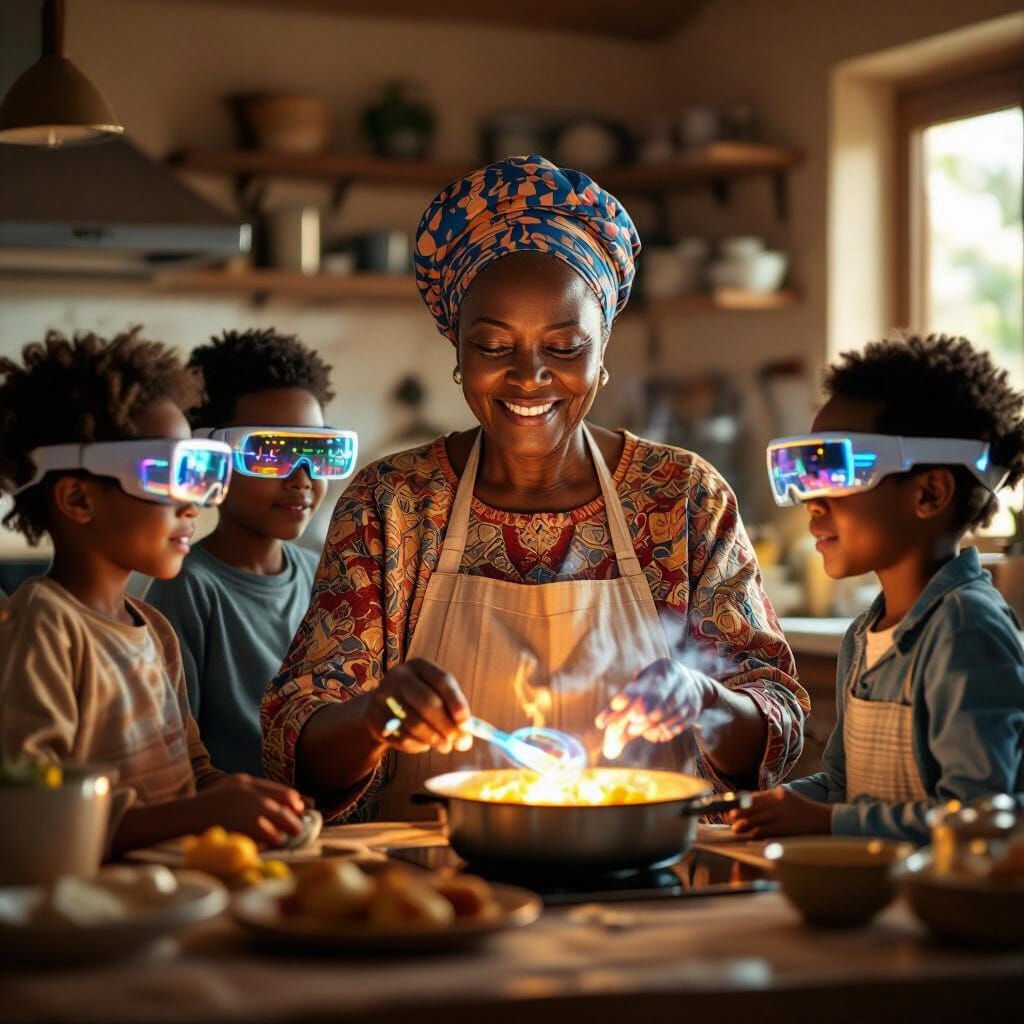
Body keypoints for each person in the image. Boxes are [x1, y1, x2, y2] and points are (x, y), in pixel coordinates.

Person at [262, 155, 808, 821]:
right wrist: (375, 718)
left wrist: (704, 697)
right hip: (434, 890)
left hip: (641, 880)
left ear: (602, 357)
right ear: (458, 356)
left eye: (564, 347)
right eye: (494, 347)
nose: (529, 377)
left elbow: (775, 724)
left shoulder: (682, 498)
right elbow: (297, 747)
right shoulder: (392, 503)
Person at [0, 328, 305, 854]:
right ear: (78, 498)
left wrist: (238, 797)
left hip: (172, 887)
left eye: (200, 473)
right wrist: (205, 812)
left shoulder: (153, 629)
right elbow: (32, 808)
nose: (193, 504)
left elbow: (191, 771)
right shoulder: (44, 626)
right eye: (168, 473)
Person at [731, 334, 1024, 843]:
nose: (813, 503)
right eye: (807, 476)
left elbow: (982, 820)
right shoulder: (866, 633)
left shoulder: (965, 628)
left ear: (930, 493)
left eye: (838, 471)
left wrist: (825, 823)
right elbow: (845, 786)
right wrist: (782, 805)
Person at [148, 328, 345, 777]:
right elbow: (179, 757)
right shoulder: (188, 587)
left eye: (316, 451)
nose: (301, 477)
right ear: (214, 457)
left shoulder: (327, 576)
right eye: (270, 453)